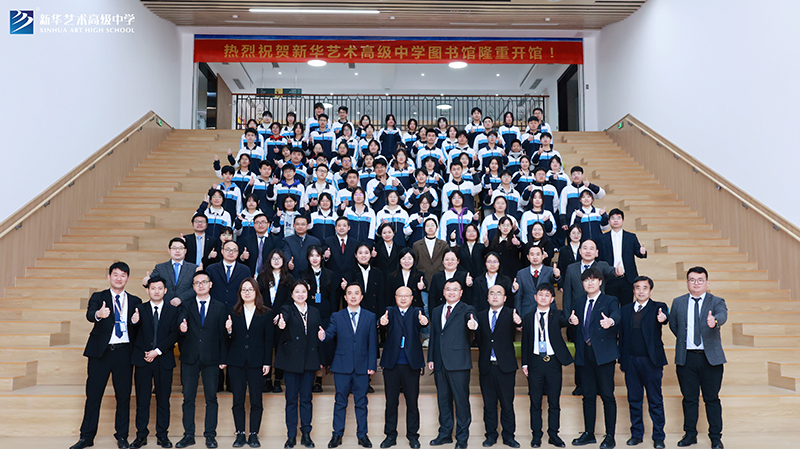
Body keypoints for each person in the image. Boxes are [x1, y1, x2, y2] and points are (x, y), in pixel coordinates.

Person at [70, 262, 143, 449]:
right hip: (100, 353)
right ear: (109, 277)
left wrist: (136, 322)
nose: (119, 278)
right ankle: (86, 437)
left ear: (128, 278)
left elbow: (138, 329)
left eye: (123, 275)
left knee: (123, 397)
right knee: (93, 396)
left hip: (124, 353)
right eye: (116, 275)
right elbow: (89, 315)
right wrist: (99, 314)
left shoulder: (135, 300)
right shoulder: (99, 296)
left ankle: (122, 436)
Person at [669, 267, 728, 449]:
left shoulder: (716, 301)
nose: (696, 283)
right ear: (687, 282)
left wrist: (714, 321)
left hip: (710, 359)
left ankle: (715, 437)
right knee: (689, 399)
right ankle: (690, 434)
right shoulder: (678, 302)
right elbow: (674, 325)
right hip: (686, 358)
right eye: (692, 280)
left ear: (707, 283)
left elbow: (722, 315)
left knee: (712, 399)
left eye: (700, 280)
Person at [319, 283, 379, 448]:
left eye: (356, 293)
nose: (353, 296)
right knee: (340, 402)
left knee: (361, 402)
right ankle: (337, 435)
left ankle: (362, 435)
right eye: (350, 293)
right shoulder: (337, 316)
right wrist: (323, 336)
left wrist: (372, 364)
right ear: (345, 297)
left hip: (362, 366)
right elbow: (330, 333)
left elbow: (373, 342)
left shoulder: (370, 316)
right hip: (342, 366)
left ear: (361, 297)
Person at [567, 267, 621, 449]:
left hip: (603, 354)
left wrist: (610, 321)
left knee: (607, 395)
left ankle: (610, 435)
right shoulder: (579, 302)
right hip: (584, 354)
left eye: (593, 279)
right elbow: (575, 326)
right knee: (588, 396)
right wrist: (572, 322)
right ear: (582, 284)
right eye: (586, 280)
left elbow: (617, 315)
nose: (590, 282)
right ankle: (589, 433)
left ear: (600, 282)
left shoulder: (609, 300)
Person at [175, 271, 229, 449]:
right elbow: (180, 323)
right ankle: (188, 435)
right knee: (188, 398)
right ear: (193, 286)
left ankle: (210, 435)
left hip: (212, 358)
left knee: (211, 398)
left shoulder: (220, 307)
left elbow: (223, 335)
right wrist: (181, 327)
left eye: (204, 282)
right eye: (197, 283)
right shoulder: (186, 305)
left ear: (210, 284)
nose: (200, 285)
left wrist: (223, 358)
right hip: (190, 358)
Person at [129, 276, 180, 449]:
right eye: (153, 288)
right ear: (147, 290)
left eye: (159, 288)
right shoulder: (139, 309)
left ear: (165, 290)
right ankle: (141, 436)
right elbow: (132, 333)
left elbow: (174, 334)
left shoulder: (173, 310)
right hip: (143, 360)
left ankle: (162, 435)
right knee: (142, 400)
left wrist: (157, 351)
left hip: (163, 359)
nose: (156, 291)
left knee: (163, 400)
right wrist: (133, 322)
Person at [427, 279, 478, 449]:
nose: (451, 292)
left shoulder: (467, 309)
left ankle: (462, 438)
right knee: (443, 400)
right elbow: (434, 336)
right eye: (448, 289)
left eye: (455, 289)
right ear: (443, 292)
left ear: (461, 293)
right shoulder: (436, 311)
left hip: (459, 363)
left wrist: (473, 323)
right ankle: (445, 434)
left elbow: (472, 318)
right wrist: (431, 358)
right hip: (440, 362)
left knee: (461, 401)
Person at [619, 276, 668, 449]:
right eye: (637, 288)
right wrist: (622, 361)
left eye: (645, 288)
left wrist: (663, 318)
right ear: (633, 290)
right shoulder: (625, 309)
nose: (641, 291)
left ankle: (659, 436)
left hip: (651, 361)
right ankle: (636, 434)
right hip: (631, 360)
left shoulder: (658, 307)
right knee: (634, 399)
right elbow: (622, 337)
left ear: (650, 291)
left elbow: (665, 316)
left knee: (655, 400)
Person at [521, 284, 573, 448]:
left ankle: (553, 434)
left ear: (552, 299)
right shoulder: (528, 317)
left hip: (553, 362)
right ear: (535, 297)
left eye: (547, 295)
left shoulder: (557, 314)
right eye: (540, 294)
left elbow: (565, 321)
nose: (543, 297)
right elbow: (525, 342)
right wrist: (525, 363)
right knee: (535, 401)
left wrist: (571, 320)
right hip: (535, 362)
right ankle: (536, 435)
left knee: (554, 402)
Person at [378, 286, 429, 449]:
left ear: (412, 298)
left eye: (407, 295)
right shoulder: (390, 311)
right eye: (400, 295)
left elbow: (423, 323)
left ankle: (413, 436)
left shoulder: (417, 312)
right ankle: (390, 436)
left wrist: (424, 322)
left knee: (412, 402)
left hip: (411, 364)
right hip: (391, 364)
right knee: (391, 402)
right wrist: (381, 322)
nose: (403, 298)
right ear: (395, 297)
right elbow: (382, 323)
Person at [275, 280, 324, 449]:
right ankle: (291, 436)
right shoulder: (286, 309)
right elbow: (283, 320)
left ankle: (306, 434)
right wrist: (281, 323)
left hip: (309, 361)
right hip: (291, 362)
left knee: (306, 399)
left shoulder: (315, 311)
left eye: (303, 291)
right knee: (291, 400)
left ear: (308, 294)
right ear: (292, 294)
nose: (300, 294)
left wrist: (322, 339)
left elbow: (318, 335)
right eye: (297, 291)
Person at [226, 278, 274, 448]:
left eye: (250, 289)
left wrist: (267, 362)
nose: (247, 292)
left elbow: (269, 340)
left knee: (256, 400)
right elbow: (228, 339)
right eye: (244, 290)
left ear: (256, 292)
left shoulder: (266, 313)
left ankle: (253, 434)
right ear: (240, 293)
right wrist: (229, 330)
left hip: (257, 362)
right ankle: (240, 434)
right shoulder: (232, 312)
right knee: (238, 400)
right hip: (236, 362)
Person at [474, 285, 522, 448]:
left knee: (507, 404)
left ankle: (509, 436)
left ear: (505, 298)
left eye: (499, 293)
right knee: (489, 404)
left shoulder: (511, 314)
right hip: (487, 366)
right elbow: (479, 339)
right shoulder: (480, 316)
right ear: (487, 298)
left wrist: (519, 322)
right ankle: (491, 435)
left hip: (505, 367)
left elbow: (519, 326)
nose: (495, 296)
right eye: (492, 293)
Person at [258, 249, 294, 393]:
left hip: (282, 319)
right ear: (269, 261)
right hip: (264, 317)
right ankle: (267, 380)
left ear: (283, 261)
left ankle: (278, 380)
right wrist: (266, 313)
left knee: (281, 350)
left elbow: (290, 300)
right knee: (265, 348)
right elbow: (258, 297)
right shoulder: (262, 277)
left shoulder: (289, 278)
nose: (276, 261)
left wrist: (281, 314)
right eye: (274, 258)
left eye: (279, 258)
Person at [303, 246, 337, 392]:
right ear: (308, 258)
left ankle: (319, 379)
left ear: (322, 257)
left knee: (323, 345)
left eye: (317, 255)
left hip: (325, 313)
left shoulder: (330, 274)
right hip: (309, 313)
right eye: (312, 255)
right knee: (310, 345)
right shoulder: (303, 274)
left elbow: (333, 297)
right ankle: (308, 378)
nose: (315, 258)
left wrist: (333, 316)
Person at [598, 209, 648, 308]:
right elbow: (600, 259)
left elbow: (638, 252)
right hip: (610, 278)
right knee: (611, 307)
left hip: (627, 278)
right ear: (609, 221)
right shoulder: (602, 238)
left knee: (627, 307)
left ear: (623, 221)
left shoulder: (631, 237)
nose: (616, 220)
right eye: (613, 218)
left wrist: (642, 252)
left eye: (618, 218)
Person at [142, 237, 198, 308]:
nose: (177, 251)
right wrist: (146, 282)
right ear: (169, 250)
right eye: (174, 248)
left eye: (180, 248)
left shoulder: (193, 268)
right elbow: (151, 282)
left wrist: (181, 298)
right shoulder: (160, 267)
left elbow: (196, 287)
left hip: (187, 307)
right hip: (166, 307)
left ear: (185, 251)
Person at [323, 217, 361, 307]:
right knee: (333, 307)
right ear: (335, 227)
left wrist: (348, 278)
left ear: (349, 228)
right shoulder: (328, 241)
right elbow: (324, 261)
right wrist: (326, 257)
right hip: (332, 280)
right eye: (339, 225)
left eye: (344, 225)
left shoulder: (355, 243)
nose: (341, 228)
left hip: (350, 280)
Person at [513, 246, 560, 318]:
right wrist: (518, 314)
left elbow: (555, 279)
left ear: (543, 256)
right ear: (528, 257)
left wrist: (556, 276)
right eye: (532, 254)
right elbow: (518, 297)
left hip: (548, 311)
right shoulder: (521, 273)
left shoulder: (550, 271)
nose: (535, 257)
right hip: (527, 312)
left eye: (538, 254)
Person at [207, 241, 253, 313]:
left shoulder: (245, 270)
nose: (231, 253)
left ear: (238, 253)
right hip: (215, 310)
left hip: (237, 310)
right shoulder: (211, 269)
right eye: (228, 250)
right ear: (222, 251)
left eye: (234, 250)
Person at [427, 248, 473, 317]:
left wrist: (469, 285)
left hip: (460, 314)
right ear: (443, 261)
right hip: (441, 314)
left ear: (458, 261)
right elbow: (432, 298)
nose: (450, 262)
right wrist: (433, 315)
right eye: (447, 259)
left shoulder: (464, 276)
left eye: (453, 259)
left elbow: (469, 297)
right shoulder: (436, 277)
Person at [344, 243, 385, 317]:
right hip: (355, 313)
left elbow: (381, 297)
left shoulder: (378, 273)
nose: (363, 255)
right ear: (356, 255)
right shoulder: (349, 272)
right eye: (360, 253)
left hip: (373, 313)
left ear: (371, 254)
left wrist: (380, 316)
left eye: (366, 253)